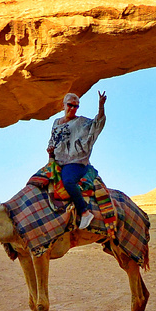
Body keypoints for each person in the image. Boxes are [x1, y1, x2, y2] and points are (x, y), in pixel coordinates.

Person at [47, 91, 107, 229]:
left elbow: (97, 123)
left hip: (75, 162)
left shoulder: (82, 122)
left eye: (76, 106)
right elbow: (54, 140)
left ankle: (85, 212)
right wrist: (51, 153)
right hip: (57, 161)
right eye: (70, 105)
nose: (73, 108)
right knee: (40, 179)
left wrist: (101, 106)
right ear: (63, 105)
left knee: (67, 181)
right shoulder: (56, 122)